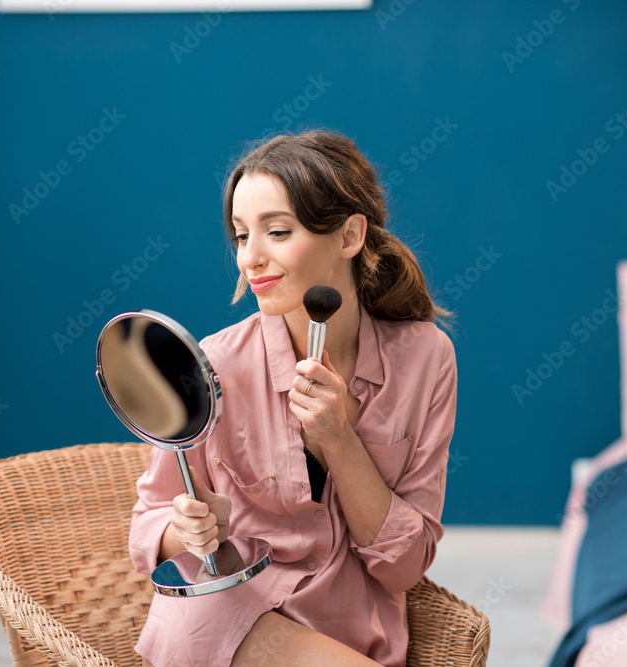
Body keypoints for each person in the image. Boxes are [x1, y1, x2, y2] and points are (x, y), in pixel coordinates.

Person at [129, 129, 458, 667]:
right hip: (226, 624)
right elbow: (147, 524)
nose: (250, 259)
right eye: (240, 236)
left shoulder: (426, 359)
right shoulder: (213, 363)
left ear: (351, 235)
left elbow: (403, 568)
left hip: (355, 632)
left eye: (277, 232)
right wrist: (183, 529)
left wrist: (340, 442)